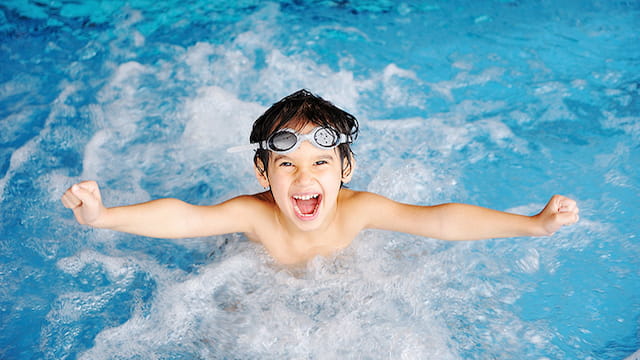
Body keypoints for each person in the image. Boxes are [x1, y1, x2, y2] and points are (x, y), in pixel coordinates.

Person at [62, 89, 580, 265]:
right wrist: (104, 217)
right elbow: (186, 218)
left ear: (345, 170)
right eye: (286, 164)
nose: (304, 177)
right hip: (258, 276)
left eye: (321, 163)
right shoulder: (255, 214)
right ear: (263, 173)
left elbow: (440, 222)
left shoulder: (359, 209)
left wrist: (532, 225)